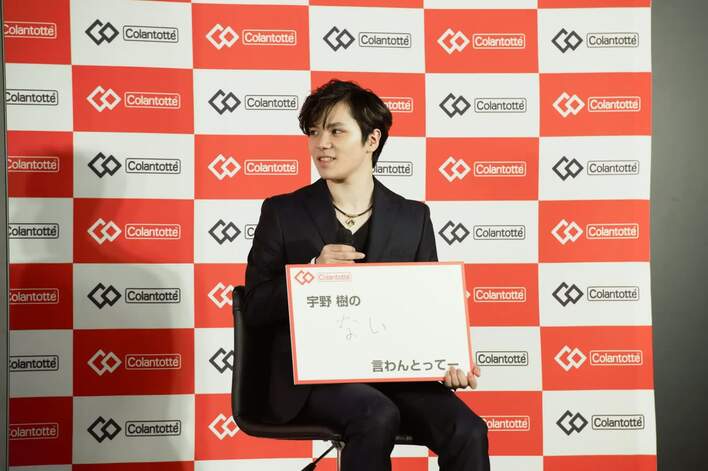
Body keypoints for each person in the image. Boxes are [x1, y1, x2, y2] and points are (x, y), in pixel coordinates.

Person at [243, 79, 490, 470]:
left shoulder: (413, 217)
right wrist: (310, 276)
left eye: (336, 131)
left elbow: (427, 310)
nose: (321, 144)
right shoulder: (282, 212)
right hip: (310, 381)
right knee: (376, 414)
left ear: (372, 140)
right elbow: (254, 306)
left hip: (394, 375)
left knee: (468, 429)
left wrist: (447, 361)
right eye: (313, 132)